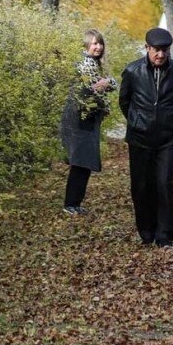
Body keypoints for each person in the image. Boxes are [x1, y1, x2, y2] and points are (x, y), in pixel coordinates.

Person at [119, 27, 173, 247]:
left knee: (163, 183)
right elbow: (125, 102)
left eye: (165, 50)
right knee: (141, 186)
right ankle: (146, 231)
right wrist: (138, 121)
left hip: (167, 139)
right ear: (147, 48)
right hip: (139, 137)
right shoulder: (132, 71)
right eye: (156, 50)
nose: (160, 54)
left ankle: (165, 235)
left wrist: (169, 122)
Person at [59, 28, 117, 215]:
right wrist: (107, 83)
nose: (98, 47)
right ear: (86, 45)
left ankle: (74, 203)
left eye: (100, 43)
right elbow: (98, 88)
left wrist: (108, 83)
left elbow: (110, 84)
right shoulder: (86, 65)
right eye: (94, 43)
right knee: (80, 162)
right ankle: (70, 204)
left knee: (83, 162)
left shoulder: (95, 64)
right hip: (79, 119)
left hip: (86, 119)